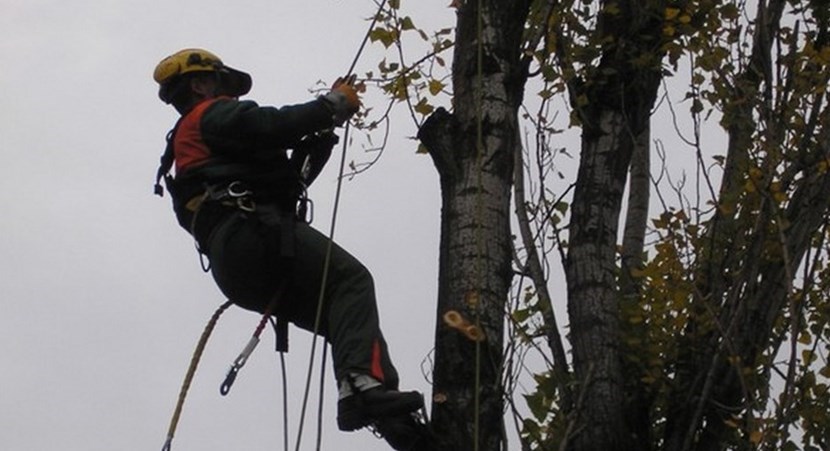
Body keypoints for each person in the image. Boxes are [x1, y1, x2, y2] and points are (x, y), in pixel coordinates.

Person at [151, 48, 430, 447]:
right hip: (253, 235)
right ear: (199, 83)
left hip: (239, 264)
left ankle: (390, 419)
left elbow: (284, 182)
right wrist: (331, 105)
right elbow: (271, 123)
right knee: (351, 281)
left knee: (342, 316)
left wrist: (319, 140)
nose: (229, 95)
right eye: (220, 84)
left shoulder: (202, 150)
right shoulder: (211, 116)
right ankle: (362, 388)